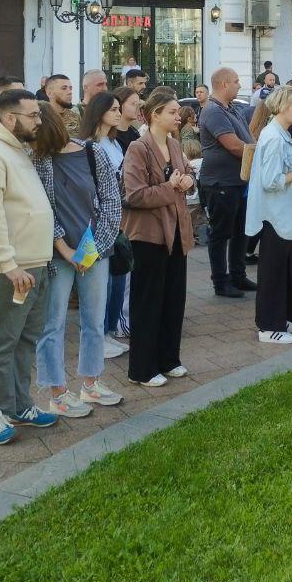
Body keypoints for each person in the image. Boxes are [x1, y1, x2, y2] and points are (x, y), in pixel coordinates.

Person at [0, 89, 58, 445]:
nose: (40, 121)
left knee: (24, 340)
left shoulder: (14, 148)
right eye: (33, 115)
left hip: (33, 264)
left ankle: (19, 404)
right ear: (9, 118)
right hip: (8, 270)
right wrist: (8, 264)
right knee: (0, 341)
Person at [33, 103, 123, 417]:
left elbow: (111, 198)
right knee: (52, 324)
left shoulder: (90, 152)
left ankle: (91, 383)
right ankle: (57, 392)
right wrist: (64, 248)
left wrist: (96, 247)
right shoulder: (39, 159)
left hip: (93, 249)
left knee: (94, 321)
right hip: (57, 254)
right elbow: (44, 208)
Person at [122, 91, 194, 387]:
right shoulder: (138, 149)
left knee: (173, 298)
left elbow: (186, 176)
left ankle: (169, 358)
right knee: (148, 301)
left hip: (177, 232)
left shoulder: (175, 144)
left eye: (178, 112)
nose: (179, 116)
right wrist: (171, 187)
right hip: (149, 236)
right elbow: (134, 194)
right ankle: (142, 367)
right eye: (173, 112)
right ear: (155, 115)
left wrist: (188, 182)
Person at [245, 86, 292, 344]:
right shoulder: (273, 137)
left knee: (286, 268)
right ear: (283, 107)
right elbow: (271, 181)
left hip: (284, 214)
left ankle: (283, 317)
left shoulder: (279, 133)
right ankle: (268, 326)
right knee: (273, 272)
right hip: (274, 215)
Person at [197, 68, 257, 299]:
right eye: (235, 81)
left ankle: (238, 275)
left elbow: (246, 139)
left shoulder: (230, 108)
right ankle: (220, 281)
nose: (239, 85)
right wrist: (259, 156)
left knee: (241, 230)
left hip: (238, 181)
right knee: (221, 233)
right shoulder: (213, 111)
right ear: (223, 84)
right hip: (221, 183)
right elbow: (233, 145)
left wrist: (254, 150)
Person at [79, 92, 130, 358]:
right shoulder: (86, 145)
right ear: (99, 112)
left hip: (114, 219)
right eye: (113, 109)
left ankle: (108, 331)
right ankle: (94, 338)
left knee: (116, 280)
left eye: (119, 108)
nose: (118, 113)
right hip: (92, 223)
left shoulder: (114, 143)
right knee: (96, 287)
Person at [111, 86, 143, 151]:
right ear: (119, 105)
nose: (137, 108)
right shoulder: (111, 135)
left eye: (138, 105)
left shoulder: (134, 132)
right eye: (133, 104)